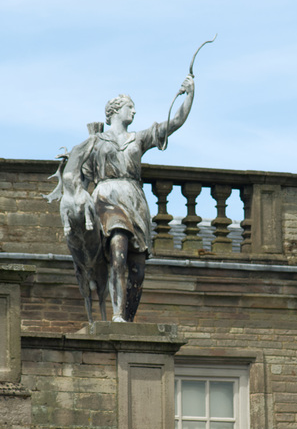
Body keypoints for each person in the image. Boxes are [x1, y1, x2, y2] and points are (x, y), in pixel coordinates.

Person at [53, 75, 195, 322]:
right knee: (118, 246)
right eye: (130, 106)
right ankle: (117, 314)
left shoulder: (138, 138)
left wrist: (190, 94)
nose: (135, 111)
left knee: (138, 270)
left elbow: (175, 122)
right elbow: (78, 179)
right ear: (115, 110)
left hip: (135, 201)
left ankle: (127, 320)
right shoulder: (96, 141)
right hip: (107, 199)